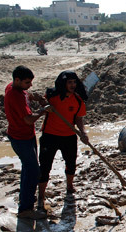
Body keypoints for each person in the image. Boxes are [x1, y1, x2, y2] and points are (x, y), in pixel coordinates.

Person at [37, 71, 89, 209]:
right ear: (63, 84)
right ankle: (41, 195)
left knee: (71, 163)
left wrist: (83, 133)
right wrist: (45, 106)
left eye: (74, 82)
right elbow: (40, 102)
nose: (72, 85)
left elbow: (78, 119)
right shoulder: (51, 96)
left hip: (69, 136)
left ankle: (69, 185)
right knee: (45, 166)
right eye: (69, 82)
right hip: (50, 136)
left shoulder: (78, 100)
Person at [4, 66, 49, 219]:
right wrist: (43, 111)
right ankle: (25, 209)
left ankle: (26, 200)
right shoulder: (14, 96)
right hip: (20, 138)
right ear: (17, 80)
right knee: (33, 171)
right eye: (27, 83)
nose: (30, 85)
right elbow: (29, 120)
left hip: (25, 136)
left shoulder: (13, 87)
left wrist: (32, 96)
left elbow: (26, 95)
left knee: (28, 169)